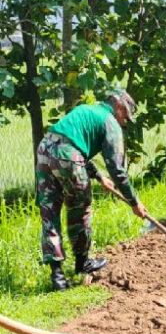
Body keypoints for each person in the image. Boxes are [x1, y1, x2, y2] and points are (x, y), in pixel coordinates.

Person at [36, 90, 148, 291]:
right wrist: (134, 201)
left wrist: (98, 176)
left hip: (45, 149)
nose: (124, 122)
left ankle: (57, 277)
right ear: (119, 106)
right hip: (67, 155)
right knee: (80, 208)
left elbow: (71, 143)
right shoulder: (110, 122)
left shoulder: (86, 110)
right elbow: (117, 168)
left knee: (49, 212)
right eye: (125, 117)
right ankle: (82, 262)